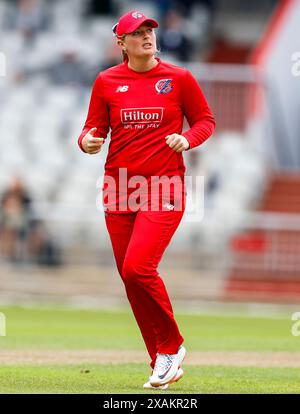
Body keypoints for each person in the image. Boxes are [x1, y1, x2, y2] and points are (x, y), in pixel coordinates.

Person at [77, 10, 215, 389]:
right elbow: (94, 129)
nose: (146, 37)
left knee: (138, 268)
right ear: (121, 43)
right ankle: (162, 361)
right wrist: (86, 141)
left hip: (164, 187)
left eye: (149, 31)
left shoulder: (179, 78)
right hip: (117, 187)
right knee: (130, 277)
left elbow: (205, 120)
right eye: (136, 33)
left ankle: (172, 346)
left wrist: (187, 139)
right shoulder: (107, 81)